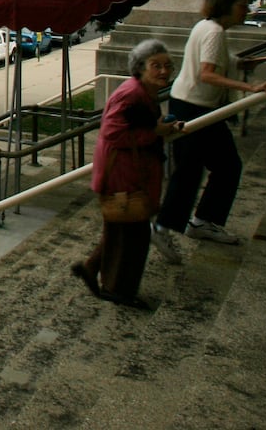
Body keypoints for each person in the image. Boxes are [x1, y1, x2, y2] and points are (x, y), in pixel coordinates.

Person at [151, 0, 266, 261]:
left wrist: (240, 64)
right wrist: (251, 88)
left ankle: (202, 221)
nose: (246, 10)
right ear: (226, 5)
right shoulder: (212, 32)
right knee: (190, 171)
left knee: (226, 165)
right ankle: (162, 227)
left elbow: (215, 61)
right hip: (194, 108)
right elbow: (207, 74)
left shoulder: (209, 28)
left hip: (198, 106)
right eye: (241, 5)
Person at [72, 39, 183, 309]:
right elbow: (112, 133)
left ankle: (92, 268)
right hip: (122, 174)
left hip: (129, 171)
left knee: (121, 228)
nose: (163, 71)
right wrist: (155, 133)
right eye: (155, 66)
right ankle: (118, 290)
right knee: (133, 234)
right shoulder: (131, 94)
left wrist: (161, 129)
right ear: (140, 68)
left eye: (167, 66)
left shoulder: (143, 92)